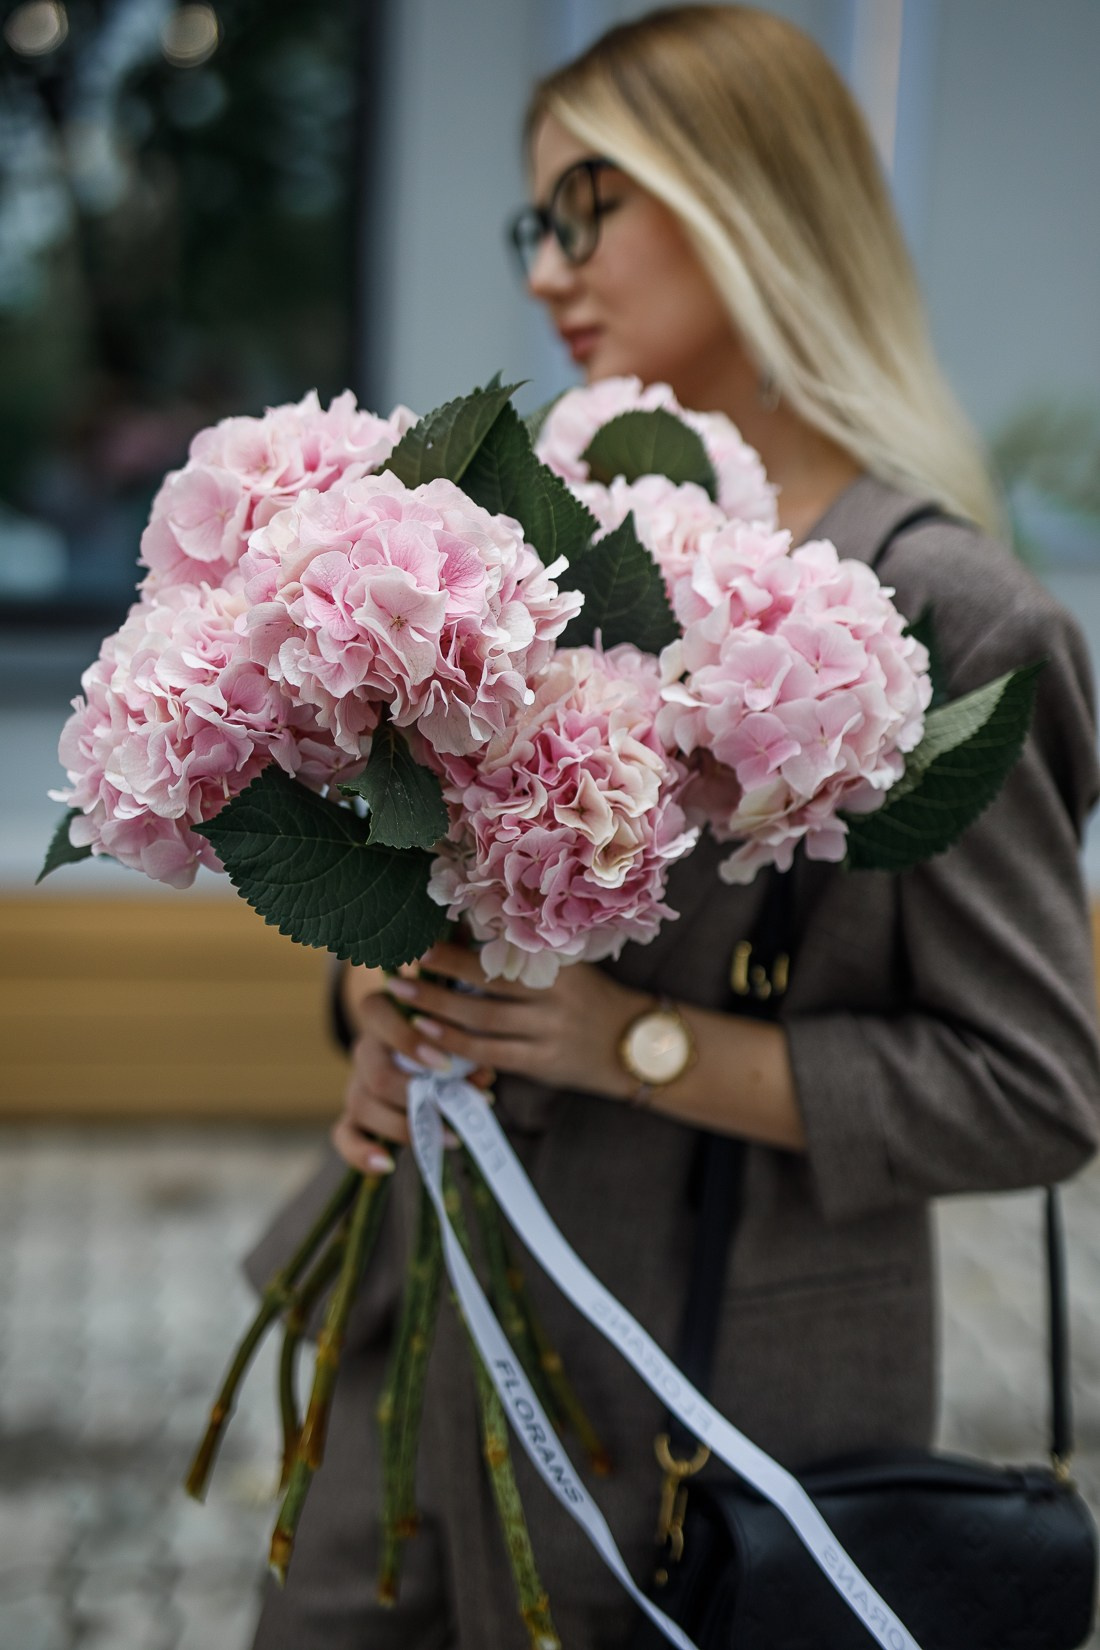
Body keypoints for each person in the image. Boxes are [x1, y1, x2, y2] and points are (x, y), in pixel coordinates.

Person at [248, 8, 1100, 1648]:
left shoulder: (946, 617)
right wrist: (384, 1007)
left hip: (709, 1407)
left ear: (753, 204)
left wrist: (632, 1044)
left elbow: (1032, 1091)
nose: (550, 269)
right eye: (532, 221)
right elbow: (418, 907)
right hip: (410, 1339)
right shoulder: (522, 555)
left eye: (591, 206)